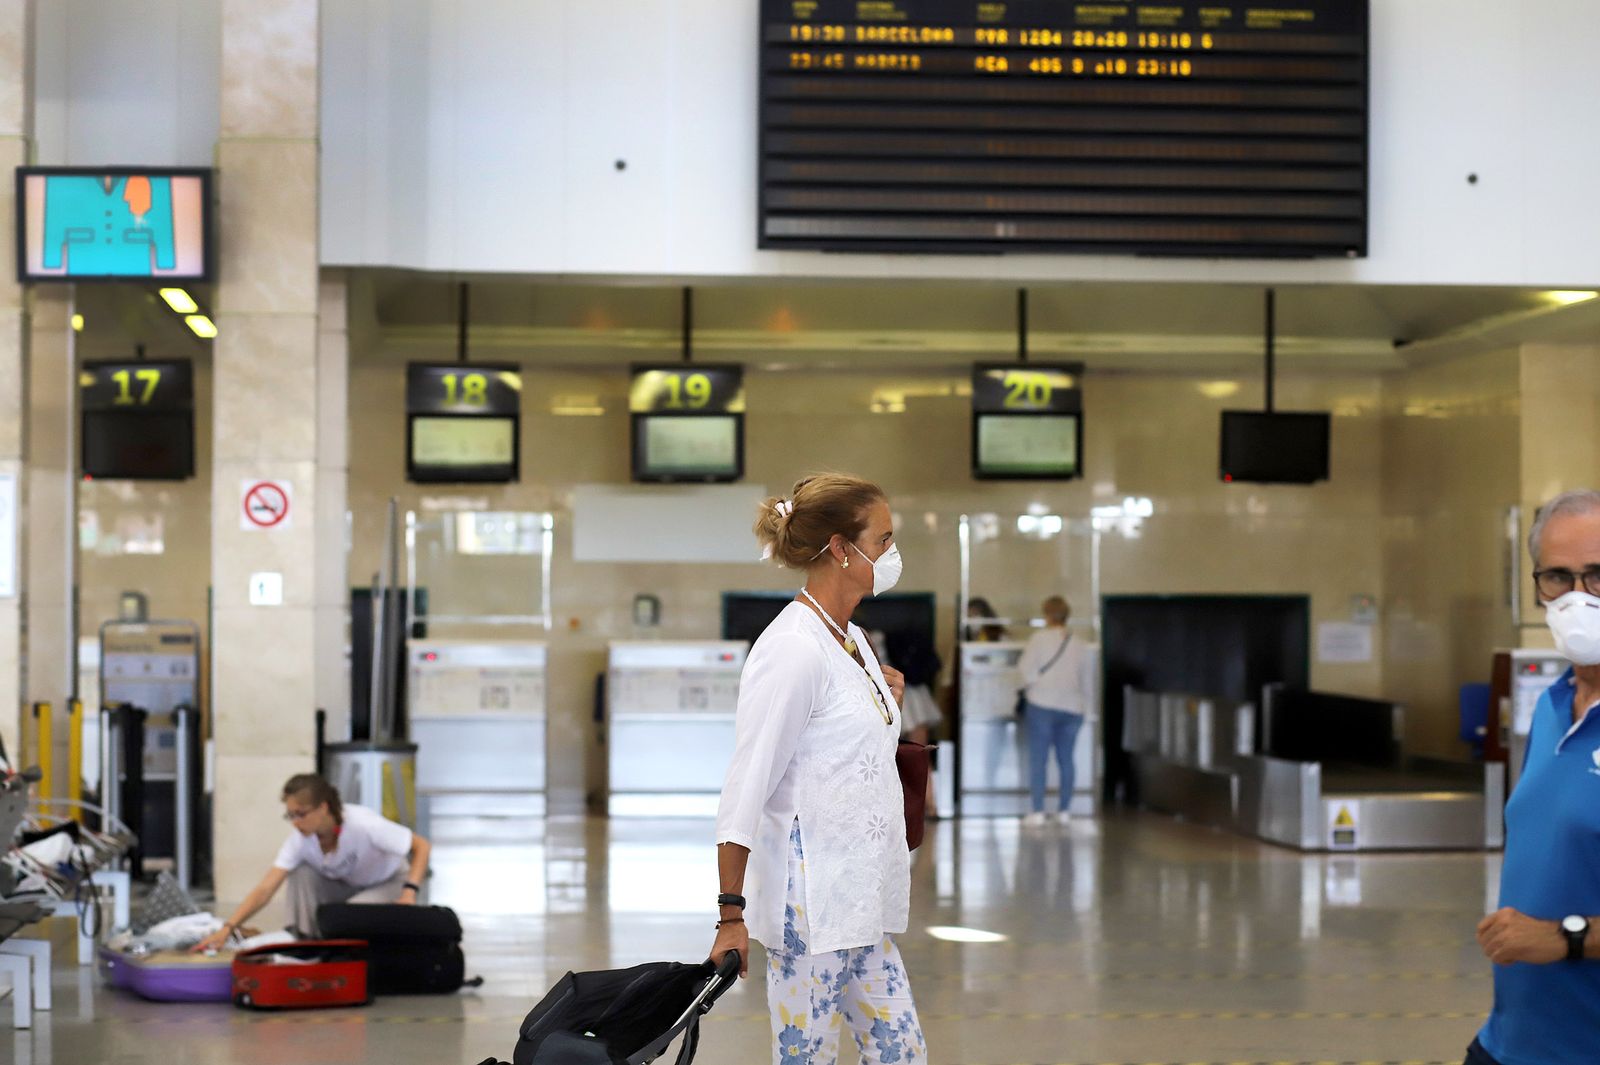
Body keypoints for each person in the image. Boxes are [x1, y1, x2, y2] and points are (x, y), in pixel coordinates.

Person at [711, 473, 928, 1065]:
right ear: (840, 548)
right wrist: (731, 913)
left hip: (860, 900)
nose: (892, 553)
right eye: (883, 540)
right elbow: (747, 785)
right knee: (806, 1058)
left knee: (903, 1054)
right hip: (810, 907)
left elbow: (842, 745)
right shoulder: (794, 647)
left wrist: (883, 703)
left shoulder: (850, 637)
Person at [1468, 489, 1600, 1065]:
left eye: (1598, 575)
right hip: (1511, 1043)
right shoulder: (1552, 707)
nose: (1577, 597)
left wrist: (1564, 936)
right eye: (1558, 577)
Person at [194, 773, 431, 951]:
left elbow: (422, 846)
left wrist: (409, 892)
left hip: (388, 881)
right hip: (348, 883)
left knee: (346, 918)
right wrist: (228, 928)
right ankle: (304, 939)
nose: (296, 822)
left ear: (323, 807)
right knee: (301, 873)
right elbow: (266, 888)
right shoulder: (300, 841)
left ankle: (330, 943)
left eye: (301, 814)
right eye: (291, 815)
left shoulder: (363, 824)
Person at [1016, 595, 1094, 827]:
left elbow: (1024, 669)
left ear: (1047, 614)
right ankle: (1065, 811)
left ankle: (1038, 811)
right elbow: (1087, 680)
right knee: (1066, 759)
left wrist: (1034, 683)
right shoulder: (1079, 643)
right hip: (1073, 708)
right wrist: (1088, 708)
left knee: (1039, 759)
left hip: (1042, 704)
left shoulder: (1038, 639)